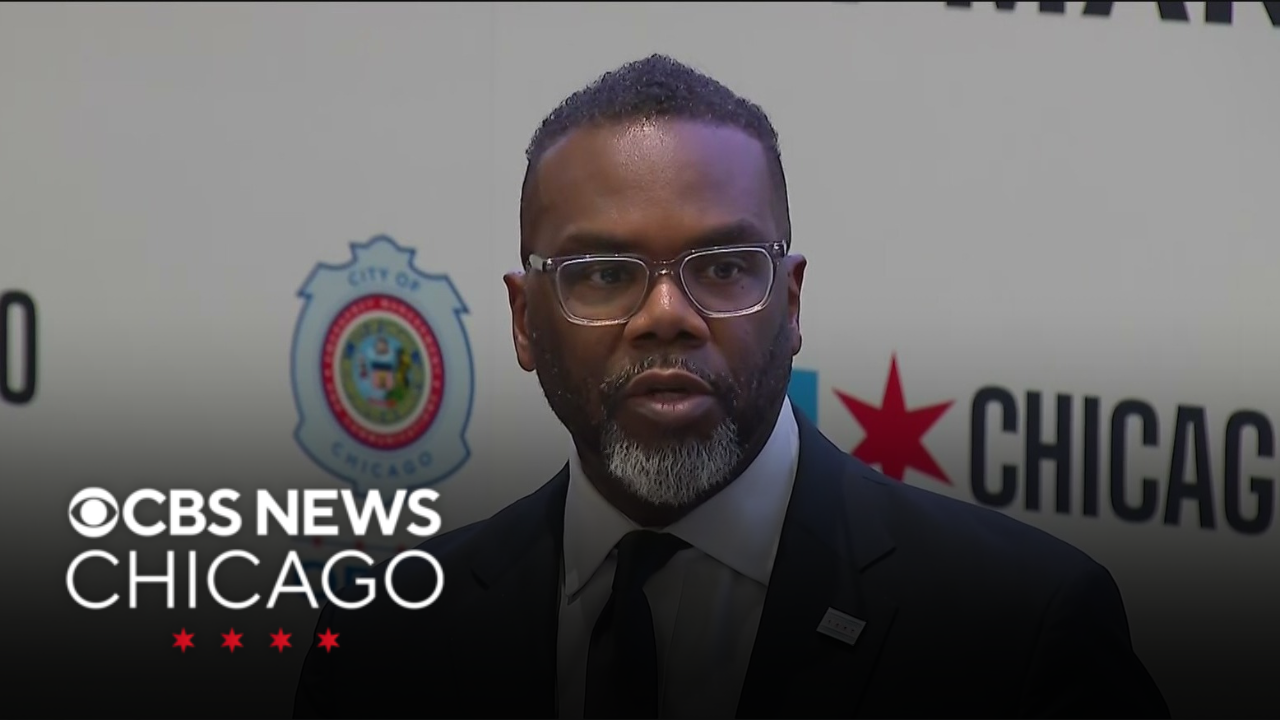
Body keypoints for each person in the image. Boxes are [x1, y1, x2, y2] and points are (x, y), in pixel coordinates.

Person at [293, 54, 1170, 719]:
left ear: (791, 302)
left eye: (721, 268)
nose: (666, 316)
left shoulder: (1019, 630)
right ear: (525, 321)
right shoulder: (386, 635)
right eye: (604, 274)